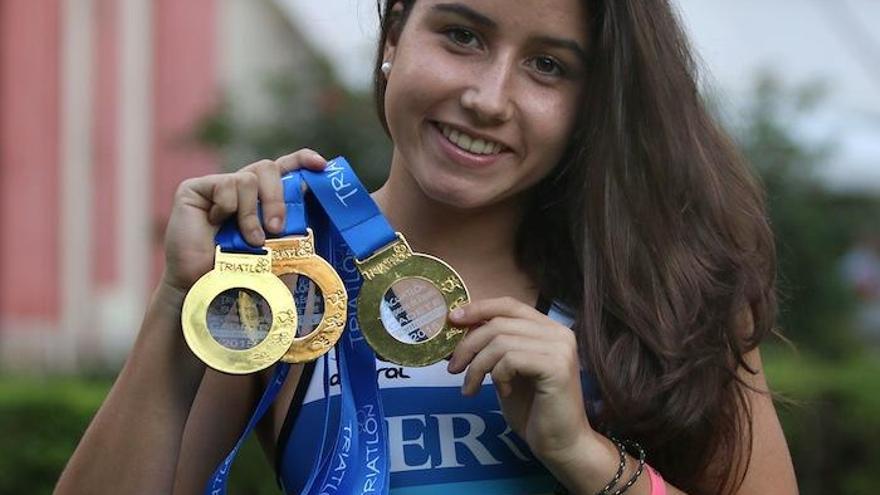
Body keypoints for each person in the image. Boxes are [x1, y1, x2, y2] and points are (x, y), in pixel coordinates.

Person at [55, 0, 798, 493]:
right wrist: (181, 305)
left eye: (549, 65)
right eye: (462, 35)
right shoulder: (286, 273)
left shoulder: (669, 290)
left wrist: (583, 454)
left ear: (590, 105)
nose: (488, 96)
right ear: (392, 40)